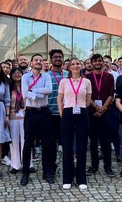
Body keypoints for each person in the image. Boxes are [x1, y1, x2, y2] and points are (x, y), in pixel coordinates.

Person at [57, 58, 92, 190]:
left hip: (82, 113)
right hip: (67, 112)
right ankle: (67, 178)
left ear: (81, 65)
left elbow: (88, 100)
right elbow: (59, 99)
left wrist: (80, 106)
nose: (75, 66)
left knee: (82, 146)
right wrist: (62, 113)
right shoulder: (64, 81)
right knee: (67, 147)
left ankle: (81, 178)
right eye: (73, 64)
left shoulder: (87, 81)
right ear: (69, 67)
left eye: (78, 63)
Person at [20, 54, 53, 186]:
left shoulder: (47, 76)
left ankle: (47, 172)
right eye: (36, 60)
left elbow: (49, 90)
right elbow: (25, 94)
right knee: (28, 143)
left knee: (47, 143)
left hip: (44, 112)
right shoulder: (25, 77)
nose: (38, 62)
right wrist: (39, 93)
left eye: (40, 60)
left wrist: (33, 90)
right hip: (31, 112)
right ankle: (25, 173)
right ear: (31, 63)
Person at [85, 53, 115, 177]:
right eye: (95, 61)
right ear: (91, 63)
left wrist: (103, 108)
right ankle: (94, 166)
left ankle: (108, 166)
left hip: (106, 112)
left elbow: (111, 94)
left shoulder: (109, 77)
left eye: (100, 60)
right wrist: (96, 106)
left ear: (103, 63)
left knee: (106, 141)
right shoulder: (87, 77)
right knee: (93, 141)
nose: (98, 63)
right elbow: (87, 95)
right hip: (91, 112)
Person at [8, 67, 35, 174]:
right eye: (14, 73)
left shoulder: (26, 85)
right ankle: (15, 164)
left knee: (27, 140)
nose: (17, 74)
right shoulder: (9, 87)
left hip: (25, 116)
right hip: (13, 116)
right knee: (14, 141)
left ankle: (29, 164)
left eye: (19, 72)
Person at [47, 49, 68, 178]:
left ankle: (68, 168)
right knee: (50, 143)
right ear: (51, 60)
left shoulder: (69, 75)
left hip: (67, 114)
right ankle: (50, 168)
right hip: (50, 114)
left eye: (60, 57)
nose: (58, 59)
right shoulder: (46, 76)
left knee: (67, 142)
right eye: (55, 57)